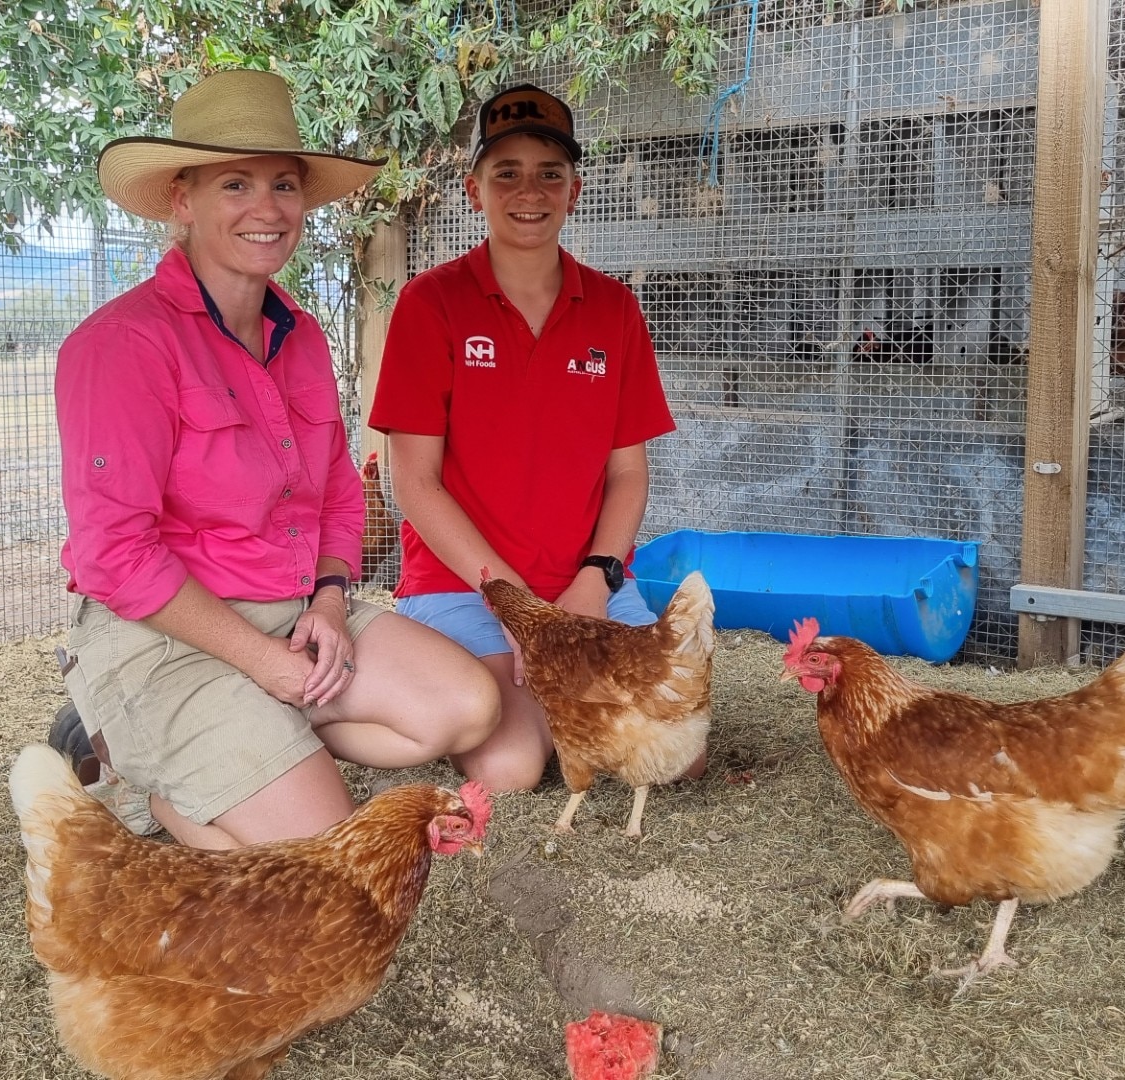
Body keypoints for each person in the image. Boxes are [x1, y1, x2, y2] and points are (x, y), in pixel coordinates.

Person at [50, 69, 500, 850]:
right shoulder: (122, 345)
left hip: (293, 611)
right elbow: (115, 557)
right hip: (168, 636)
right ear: (182, 202)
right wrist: (260, 661)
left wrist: (328, 604)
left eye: (284, 185)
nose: (268, 208)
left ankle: (257, 742)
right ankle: (144, 782)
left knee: (465, 706)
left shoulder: (302, 337)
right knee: (324, 857)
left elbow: (335, 493)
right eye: (235, 184)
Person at [369, 83, 699, 793]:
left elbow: (629, 476)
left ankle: (563, 694)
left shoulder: (614, 309)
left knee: (676, 758)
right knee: (511, 766)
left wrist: (596, 580)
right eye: (506, 172)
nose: (530, 190)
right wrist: (518, 609)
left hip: (584, 586)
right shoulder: (431, 304)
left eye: (550, 173)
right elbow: (413, 483)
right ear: (473, 190)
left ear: (575, 192)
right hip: (465, 587)